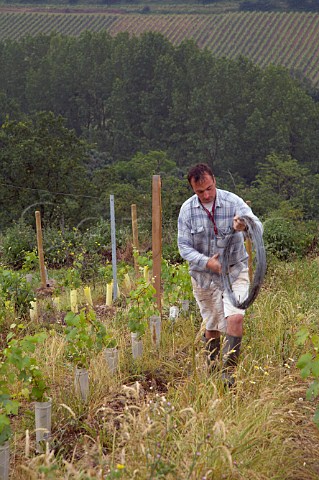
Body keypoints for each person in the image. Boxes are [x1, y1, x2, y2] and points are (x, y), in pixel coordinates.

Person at [177, 163, 263, 386]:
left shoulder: (233, 202)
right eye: (200, 191)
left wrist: (244, 225)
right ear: (193, 190)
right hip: (204, 277)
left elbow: (258, 227)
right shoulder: (187, 211)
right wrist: (207, 262)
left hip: (235, 269)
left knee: (235, 317)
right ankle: (213, 367)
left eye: (209, 188)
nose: (206, 194)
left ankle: (229, 376)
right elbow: (183, 247)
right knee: (213, 325)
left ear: (214, 181)